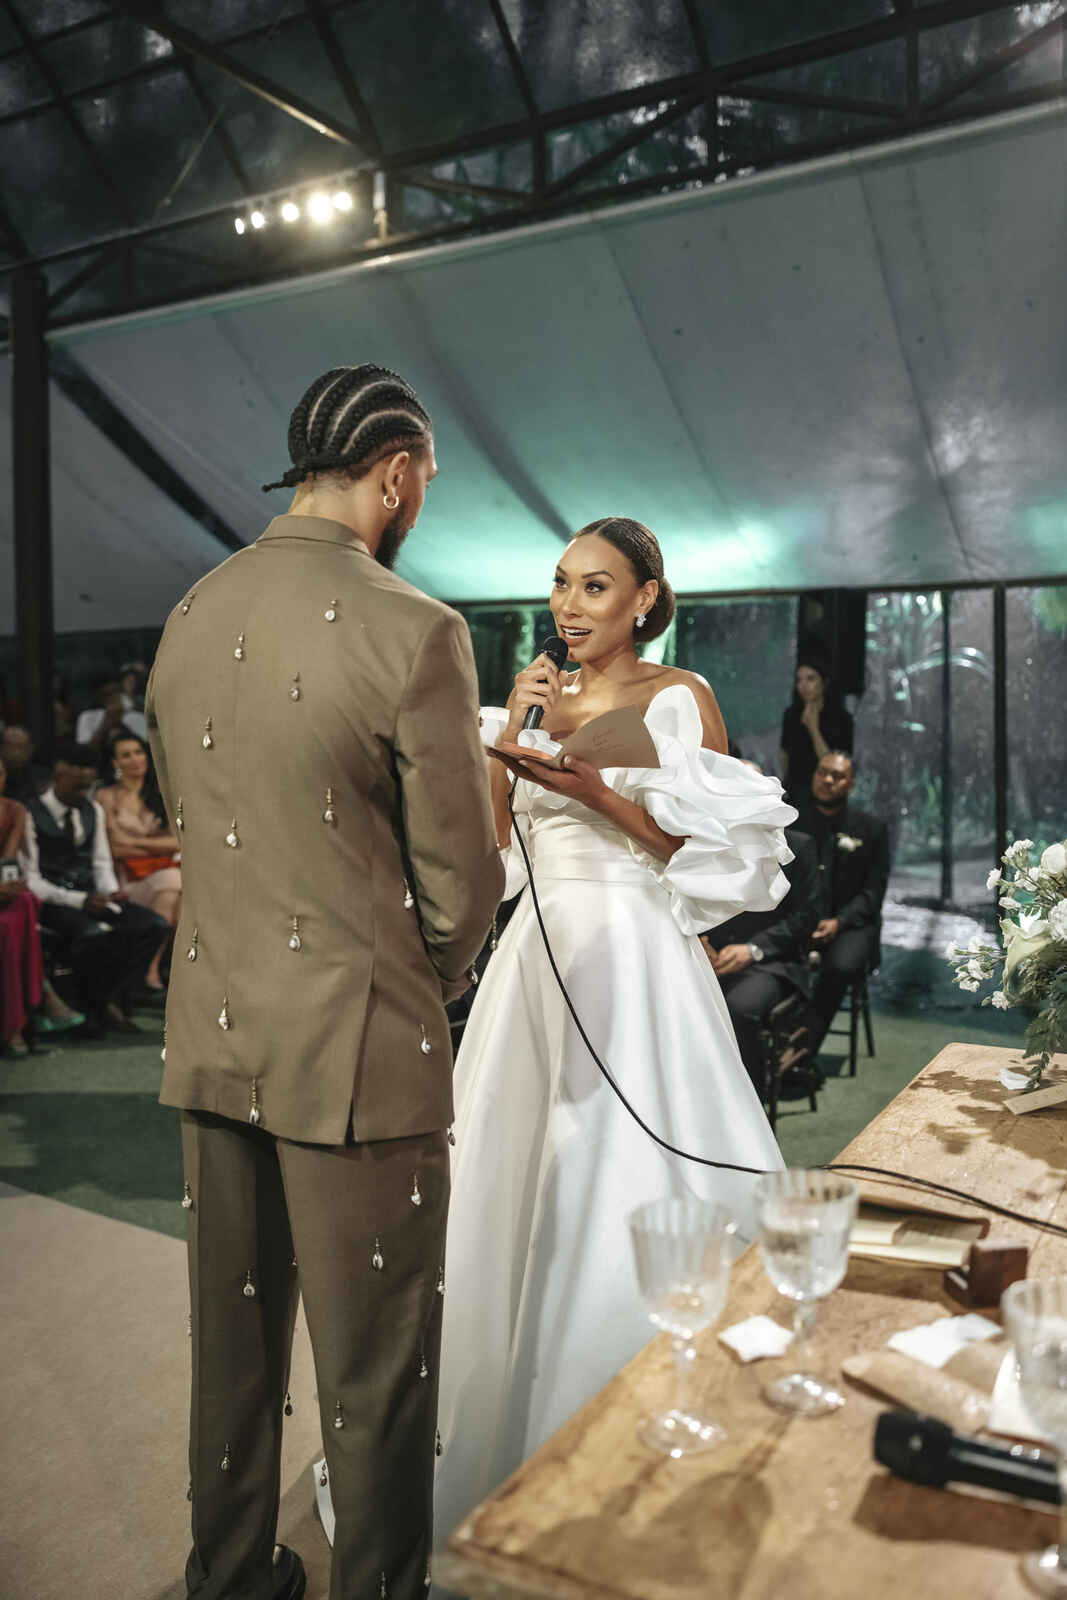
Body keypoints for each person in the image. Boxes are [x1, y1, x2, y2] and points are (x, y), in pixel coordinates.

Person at [147, 363, 502, 1600]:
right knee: (376, 1372)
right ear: (396, 473)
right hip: (359, 1050)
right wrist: (421, 982)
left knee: (230, 1349)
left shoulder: (192, 609)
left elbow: (197, 818)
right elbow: (460, 886)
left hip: (211, 1029)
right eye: (427, 482)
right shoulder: (417, 627)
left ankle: (231, 1575)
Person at [431, 516, 794, 1548]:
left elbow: (710, 853)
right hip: (534, 961)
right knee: (515, 1171)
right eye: (559, 584)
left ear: (644, 599)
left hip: (635, 959)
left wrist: (594, 792)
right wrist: (510, 747)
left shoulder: (679, 697)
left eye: (594, 586)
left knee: (621, 1167)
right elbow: (496, 855)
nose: (568, 605)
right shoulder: (525, 699)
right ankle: (503, 1422)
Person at [18, 742, 167, 1037]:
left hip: (93, 897)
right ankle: (94, 1009)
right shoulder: (30, 813)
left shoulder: (93, 810)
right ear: (59, 775)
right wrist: (79, 900)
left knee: (152, 925)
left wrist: (111, 891)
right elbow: (31, 880)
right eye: (77, 786)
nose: (83, 793)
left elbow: (100, 863)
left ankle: (106, 999)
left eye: (87, 787)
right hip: (53, 902)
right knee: (93, 935)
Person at [701, 772, 819, 1096]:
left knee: (738, 1009)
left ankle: (750, 1100)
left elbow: (806, 918)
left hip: (773, 963)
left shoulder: (800, 846)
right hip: (714, 956)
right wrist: (700, 939)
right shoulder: (711, 840)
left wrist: (753, 949)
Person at [794, 751, 890, 1055]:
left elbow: (873, 893)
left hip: (852, 925)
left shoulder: (872, 829)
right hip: (802, 920)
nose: (827, 780)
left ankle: (801, 1054)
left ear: (851, 784)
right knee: (780, 958)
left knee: (839, 967)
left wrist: (840, 922)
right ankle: (778, 1045)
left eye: (837, 776)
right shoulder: (794, 822)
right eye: (822, 772)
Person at [99, 734, 181, 991]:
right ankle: (155, 968)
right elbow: (114, 847)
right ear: (115, 763)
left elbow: (179, 842)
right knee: (175, 883)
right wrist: (156, 845)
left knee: (176, 885)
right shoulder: (106, 796)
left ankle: (152, 966)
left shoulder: (161, 793)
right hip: (125, 879)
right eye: (126, 755)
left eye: (138, 752)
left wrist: (135, 843)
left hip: (164, 877)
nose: (135, 759)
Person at [779, 657, 853, 804]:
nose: (804, 685)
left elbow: (834, 765)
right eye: (799, 680)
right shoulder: (792, 714)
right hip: (795, 790)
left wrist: (813, 728)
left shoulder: (842, 719)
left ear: (824, 682)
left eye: (810, 679)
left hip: (829, 790)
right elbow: (784, 753)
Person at [0, 724, 49, 804]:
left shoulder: (42, 778)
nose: (16, 752)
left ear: (30, 749)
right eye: (10, 746)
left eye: (21, 746)